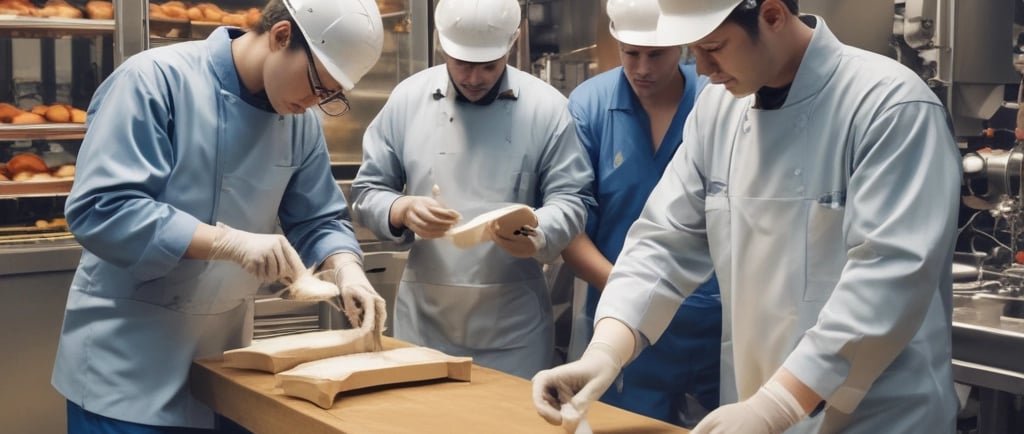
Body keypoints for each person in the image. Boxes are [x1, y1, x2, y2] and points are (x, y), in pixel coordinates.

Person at [532, 0, 960, 433]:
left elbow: (888, 281)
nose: (701, 69)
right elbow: (662, 243)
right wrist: (604, 351)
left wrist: (776, 406)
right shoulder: (718, 110)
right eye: (692, 51)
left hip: (878, 416)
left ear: (772, 16)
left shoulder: (889, 107)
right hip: (757, 405)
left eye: (713, 47)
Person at [52, 0, 386, 432]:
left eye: (332, 95)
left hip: (225, 367)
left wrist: (345, 267)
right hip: (125, 369)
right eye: (317, 85)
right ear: (281, 36)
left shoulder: (298, 120)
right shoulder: (155, 80)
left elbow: (318, 218)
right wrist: (228, 243)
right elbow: (103, 209)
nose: (315, 103)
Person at [350, 0, 594, 379]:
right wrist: (400, 209)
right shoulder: (407, 100)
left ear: (511, 44)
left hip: (515, 330)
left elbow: (573, 198)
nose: (474, 77)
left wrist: (538, 230)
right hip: (424, 322)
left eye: (488, 66)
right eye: (462, 63)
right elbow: (367, 191)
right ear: (442, 44)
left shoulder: (547, 108)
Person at [559, 0, 721, 427]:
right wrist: (635, 294)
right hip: (622, 325)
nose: (642, 68)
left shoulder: (718, 101)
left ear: (683, 45)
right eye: (631, 53)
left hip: (714, 324)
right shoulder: (590, 106)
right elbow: (570, 224)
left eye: (656, 54)